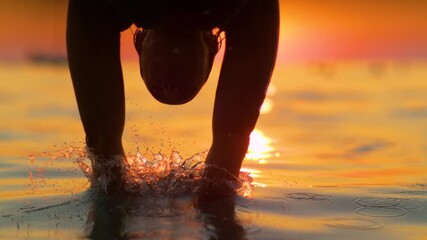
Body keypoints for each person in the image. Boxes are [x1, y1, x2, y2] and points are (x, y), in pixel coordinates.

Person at [66, 0, 279, 196]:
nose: (170, 89)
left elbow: (105, 151)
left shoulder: (106, 7)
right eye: (185, 86)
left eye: (158, 86)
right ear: (212, 48)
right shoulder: (238, 8)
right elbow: (229, 146)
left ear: (140, 42)